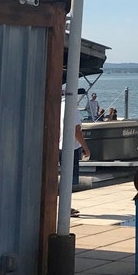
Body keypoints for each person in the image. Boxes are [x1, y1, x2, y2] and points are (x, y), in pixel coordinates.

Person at [60, 87, 90, 215]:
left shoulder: (60, 106)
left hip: (59, 146)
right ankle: (66, 207)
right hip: (71, 147)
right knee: (69, 179)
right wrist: (86, 148)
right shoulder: (72, 108)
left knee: (61, 177)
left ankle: (62, 206)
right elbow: (76, 130)